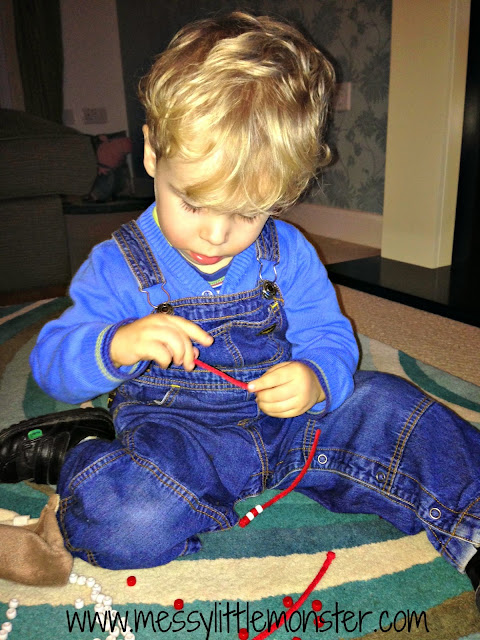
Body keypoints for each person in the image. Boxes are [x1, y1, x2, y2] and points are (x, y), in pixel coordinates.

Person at [0, 11, 479, 609]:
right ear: (152, 152)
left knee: (388, 405)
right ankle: (82, 452)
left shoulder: (290, 253)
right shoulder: (120, 264)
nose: (218, 233)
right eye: (193, 201)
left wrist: (317, 377)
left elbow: (330, 335)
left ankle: (477, 527)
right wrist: (116, 345)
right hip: (179, 441)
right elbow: (51, 364)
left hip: (289, 427)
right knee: (127, 522)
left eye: (249, 212)